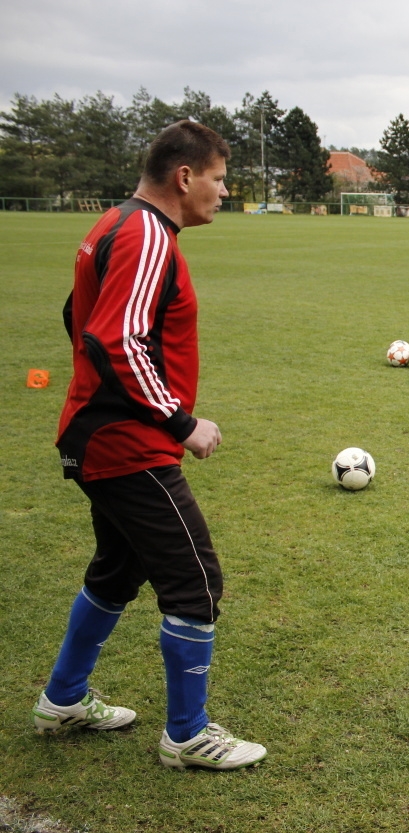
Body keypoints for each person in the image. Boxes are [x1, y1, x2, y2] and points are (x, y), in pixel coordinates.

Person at [32, 120, 266, 770]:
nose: (223, 191)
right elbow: (117, 340)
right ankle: (187, 734)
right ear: (185, 177)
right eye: (219, 178)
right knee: (195, 581)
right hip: (124, 442)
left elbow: (76, 318)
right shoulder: (145, 235)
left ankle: (63, 699)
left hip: (100, 431)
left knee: (117, 568)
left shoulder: (114, 224)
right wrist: (180, 420)